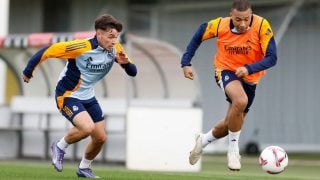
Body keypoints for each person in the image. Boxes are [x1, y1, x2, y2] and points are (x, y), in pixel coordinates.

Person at [22, 14, 137, 178]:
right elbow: (47, 51)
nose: (114, 41)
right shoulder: (80, 47)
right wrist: (28, 71)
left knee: (100, 137)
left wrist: (126, 64)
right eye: (111, 37)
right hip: (67, 94)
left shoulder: (115, 49)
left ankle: (84, 168)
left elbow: (133, 72)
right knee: (87, 128)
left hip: (88, 96)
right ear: (99, 33)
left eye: (116, 37)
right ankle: (60, 146)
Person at [181, 0, 277, 171]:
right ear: (231, 15)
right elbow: (200, 33)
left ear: (251, 14)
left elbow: (272, 57)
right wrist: (186, 62)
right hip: (225, 70)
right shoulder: (220, 25)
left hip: (250, 77)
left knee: (229, 124)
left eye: (246, 19)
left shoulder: (262, 25)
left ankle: (202, 141)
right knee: (240, 101)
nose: (242, 23)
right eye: (238, 19)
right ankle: (233, 151)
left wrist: (249, 69)